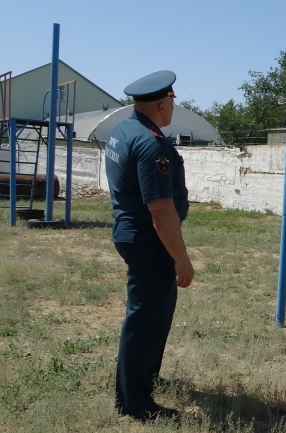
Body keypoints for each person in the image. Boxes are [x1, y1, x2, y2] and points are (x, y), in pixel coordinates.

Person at [104, 70, 193, 421]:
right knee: (145, 318)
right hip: (148, 239)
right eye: (172, 101)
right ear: (161, 104)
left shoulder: (124, 129)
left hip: (134, 234)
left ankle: (144, 378)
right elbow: (161, 211)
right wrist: (182, 259)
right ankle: (134, 402)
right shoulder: (152, 144)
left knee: (156, 314)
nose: (174, 107)